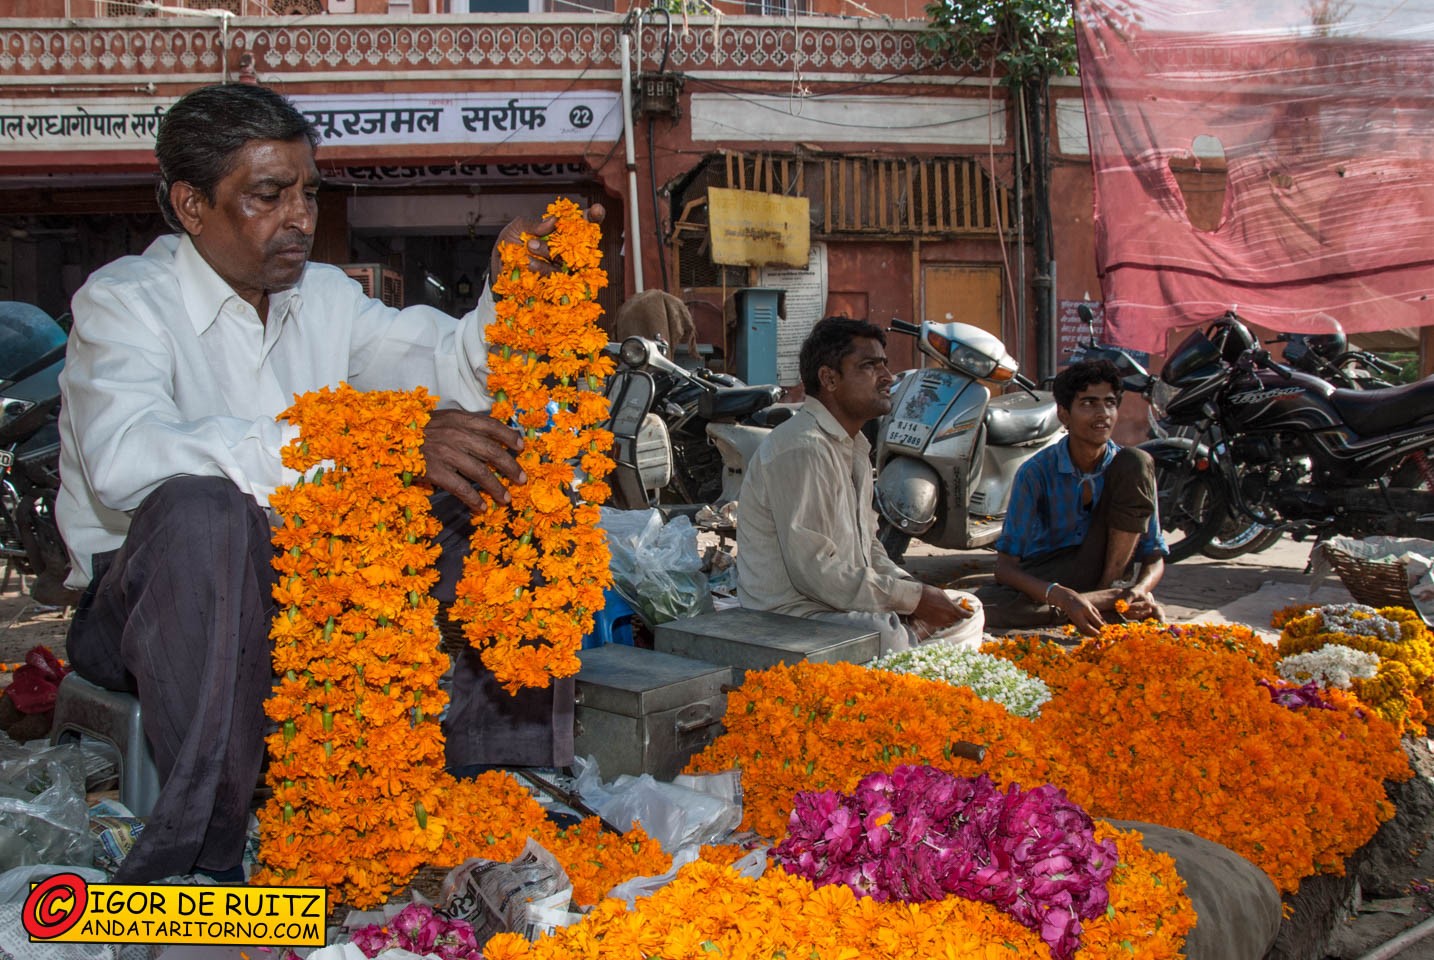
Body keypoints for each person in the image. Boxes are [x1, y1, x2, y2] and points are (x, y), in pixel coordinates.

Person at [57, 82, 597, 884]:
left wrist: (510, 289)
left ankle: (479, 793)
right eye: (269, 196)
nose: (301, 218)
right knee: (207, 512)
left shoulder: (326, 298)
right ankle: (197, 868)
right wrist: (366, 443)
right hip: (147, 605)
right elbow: (128, 459)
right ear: (191, 204)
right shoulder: (126, 302)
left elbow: (448, 370)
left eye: (309, 192)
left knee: (486, 470)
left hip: (300, 590)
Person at [736, 316, 983, 654]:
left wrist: (910, 589)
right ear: (829, 379)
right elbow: (815, 574)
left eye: (885, 364)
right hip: (793, 618)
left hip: (843, 607)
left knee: (968, 607)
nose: (888, 378)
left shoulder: (852, 447)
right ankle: (911, 652)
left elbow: (870, 548)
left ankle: (913, 650)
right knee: (885, 634)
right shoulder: (802, 448)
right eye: (869, 366)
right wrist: (911, 602)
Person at [983, 359, 1167, 635]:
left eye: (1109, 403)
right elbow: (1006, 569)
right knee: (980, 607)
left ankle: (1105, 596)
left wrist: (1139, 591)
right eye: (1088, 403)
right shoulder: (1035, 473)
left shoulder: (1128, 470)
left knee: (1137, 460)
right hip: (1053, 574)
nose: (1102, 413)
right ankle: (1099, 604)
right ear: (1064, 415)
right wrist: (1062, 597)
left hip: (1109, 572)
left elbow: (1154, 556)